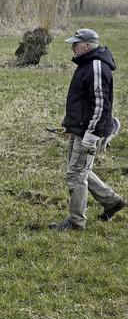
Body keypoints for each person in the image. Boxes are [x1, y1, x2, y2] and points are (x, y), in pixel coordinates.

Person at [49, 28, 125, 230]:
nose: (72, 47)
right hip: (80, 129)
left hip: (89, 131)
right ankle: (112, 201)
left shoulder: (97, 66)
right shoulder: (87, 63)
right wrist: (71, 126)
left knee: (76, 175)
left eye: (75, 43)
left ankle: (76, 222)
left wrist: (92, 135)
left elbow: (101, 105)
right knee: (80, 171)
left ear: (87, 45)